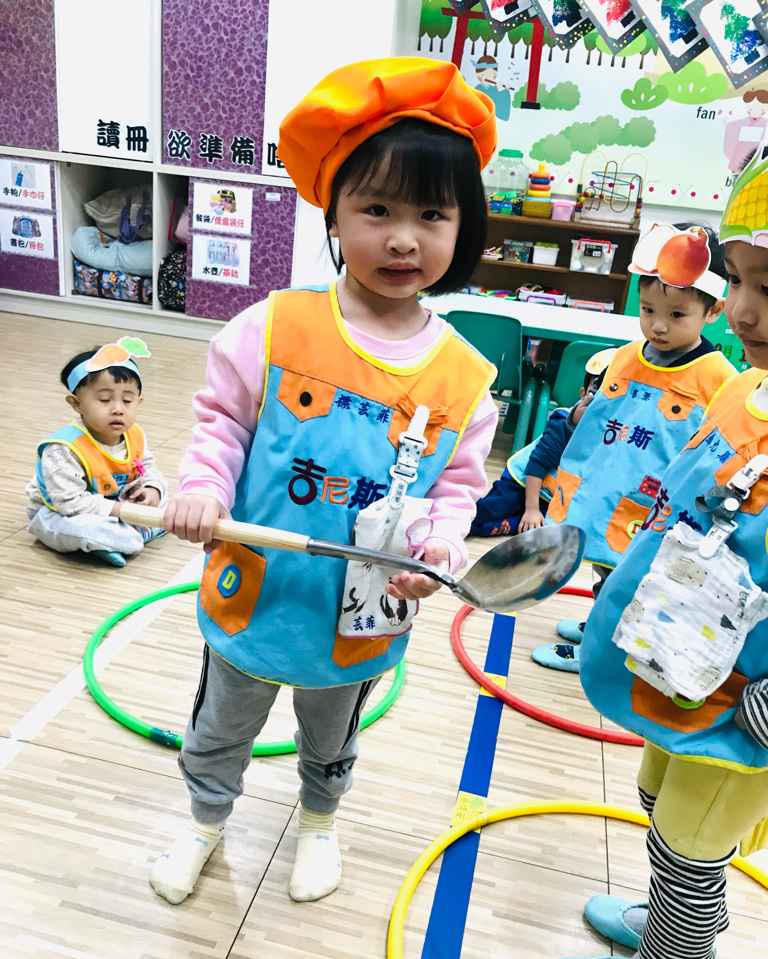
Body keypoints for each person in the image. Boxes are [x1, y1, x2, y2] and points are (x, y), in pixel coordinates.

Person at [147, 58, 500, 907]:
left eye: (432, 214)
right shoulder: (273, 326)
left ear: (463, 228)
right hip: (255, 590)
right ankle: (204, 821)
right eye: (377, 209)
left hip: (362, 614)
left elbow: (454, 491)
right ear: (334, 213)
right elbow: (222, 422)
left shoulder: (465, 378)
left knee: (332, 735)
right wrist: (204, 487)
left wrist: (438, 549)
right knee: (221, 723)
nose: (403, 238)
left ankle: (317, 820)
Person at [547, 144, 768, 959]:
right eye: (739, 281)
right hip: (681, 664)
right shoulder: (746, 390)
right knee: (658, 796)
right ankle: (682, 925)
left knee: (691, 838)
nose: (742, 311)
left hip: (745, 705)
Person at [532, 223, 737, 672]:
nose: (658, 325)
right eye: (647, 310)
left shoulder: (720, 379)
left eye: (677, 315)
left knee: (632, 579)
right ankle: (597, 625)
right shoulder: (625, 357)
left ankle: (599, 651)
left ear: (713, 311)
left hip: (657, 504)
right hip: (609, 489)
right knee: (605, 565)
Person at [26, 341, 167, 568]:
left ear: (138, 402)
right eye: (104, 400)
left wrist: (152, 489)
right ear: (76, 404)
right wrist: (124, 511)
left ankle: (122, 536)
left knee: (172, 501)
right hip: (63, 511)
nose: (118, 409)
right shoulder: (64, 448)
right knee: (97, 531)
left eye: (127, 400)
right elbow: (69, 503)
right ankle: (130, 534)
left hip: (113, 501)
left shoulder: (134, 434)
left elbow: (147, 467)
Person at [470, 350, 615, 537]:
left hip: (552, 495)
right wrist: (531, 509)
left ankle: (506, 524)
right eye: (596, 393)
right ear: (582, 394)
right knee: (482, 515)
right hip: (522, 483)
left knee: (545, 528)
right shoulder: (564, 420)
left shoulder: (615, 433)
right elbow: (538, 463)